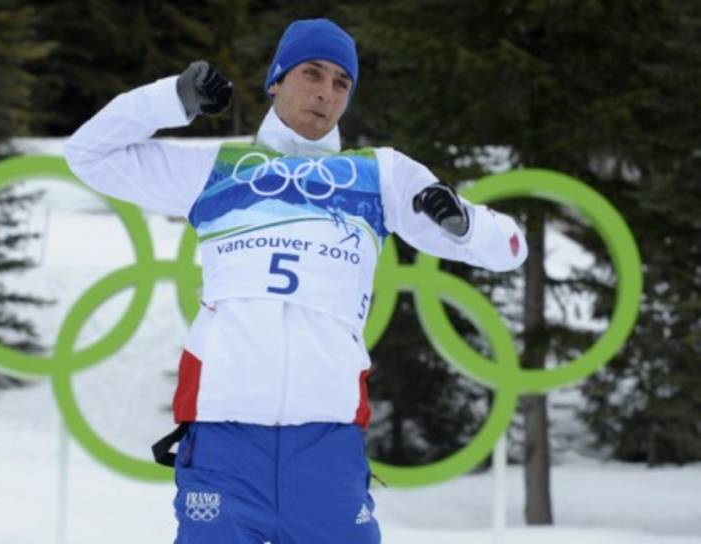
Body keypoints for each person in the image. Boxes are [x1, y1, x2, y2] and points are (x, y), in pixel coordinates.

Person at [64, 18, 527, 544]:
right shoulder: (217, 168)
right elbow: (87, 154)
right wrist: (174, 98)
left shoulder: (381, 176)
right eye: (312, 73)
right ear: (276, 80)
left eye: (341, 83)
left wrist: (467, 225)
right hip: (224, 439)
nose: (326, 92)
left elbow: (511, 250)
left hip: (326, 443)